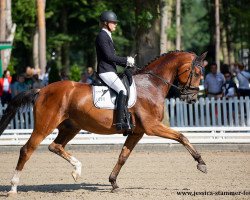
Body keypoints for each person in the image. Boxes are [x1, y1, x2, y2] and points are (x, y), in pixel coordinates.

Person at [95, 11, 135, 131]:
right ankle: (119, 122)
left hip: (110, 69)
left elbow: (111, 58)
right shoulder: (102, 36)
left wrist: (127, 63)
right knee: (122, 90)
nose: (115, 25)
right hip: (105, 71)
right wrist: (126, 60)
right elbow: (109, 56)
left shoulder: (107, 35)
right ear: (106, 23)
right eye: (113, 22)